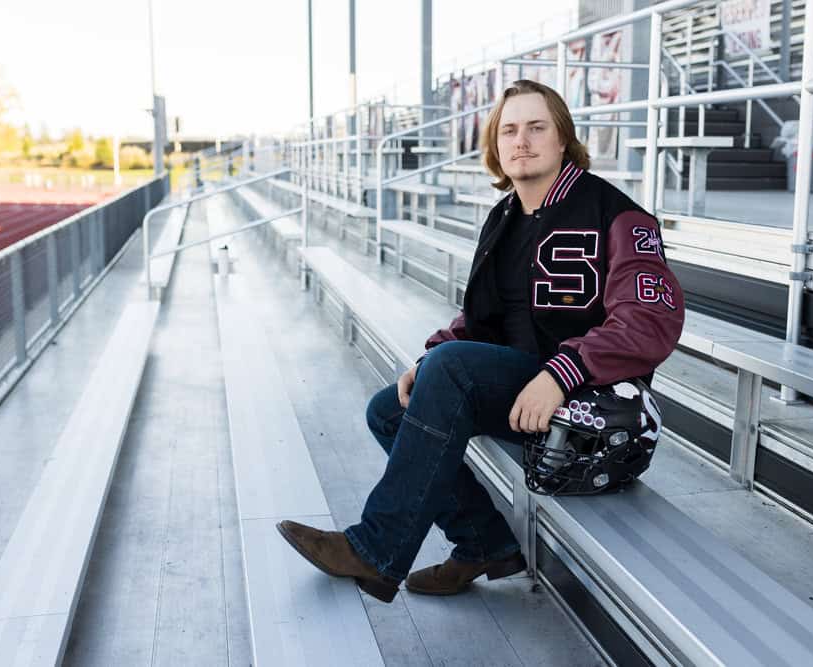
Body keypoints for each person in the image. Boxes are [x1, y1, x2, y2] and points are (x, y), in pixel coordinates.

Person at [277, 80, 685, 604]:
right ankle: (483, 544)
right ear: (495, 145)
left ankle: (377, 550)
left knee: (451, 371)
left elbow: (650, 319)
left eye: (537, 127)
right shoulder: (504, 216)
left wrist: (562, 375)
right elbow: (480, 317)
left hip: (592, 404)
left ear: (564, 139)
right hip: (523, 384)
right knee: (390, 409)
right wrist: (430, 357)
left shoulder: (617, 215)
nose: (522, 141)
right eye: (509, 130)